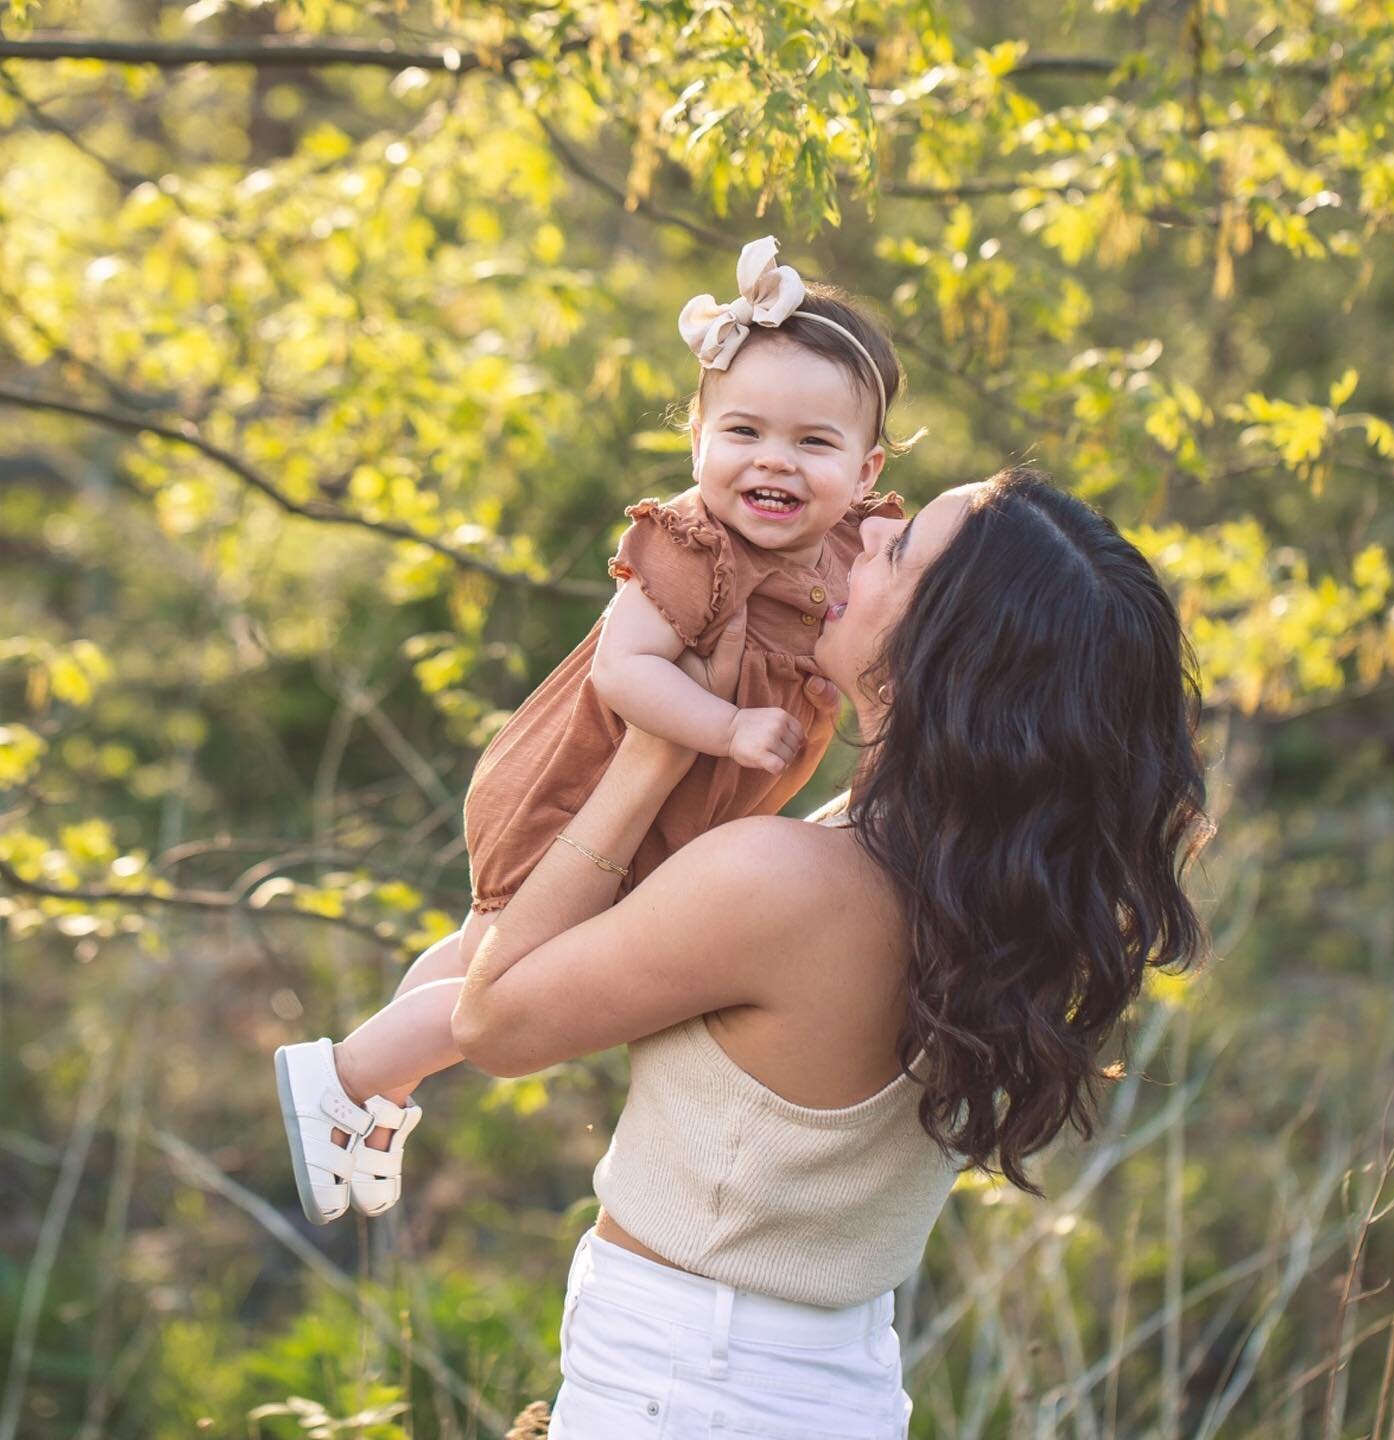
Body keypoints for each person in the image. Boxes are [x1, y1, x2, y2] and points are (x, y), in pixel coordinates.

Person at [446, 464, 1213, 1436]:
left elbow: (492, 1020)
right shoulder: (998, 885)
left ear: (943, 647)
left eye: (903, 551)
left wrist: (651, 752)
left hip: (687, 1388)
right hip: (827, 1380)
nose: (864, 540)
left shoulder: (787, 882)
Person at [274, 236, 921, 1226]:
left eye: (813, 444)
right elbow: (626, 674)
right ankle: (353, 1072)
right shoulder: (689, 546)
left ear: (865, 466)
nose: (773, 462)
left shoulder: (844, 552)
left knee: (483, 950)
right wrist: (728, 724)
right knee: (517, 960)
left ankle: (374, 1088)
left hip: (677, 813)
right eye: (743, 431)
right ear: (697, 436)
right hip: (584, 786)